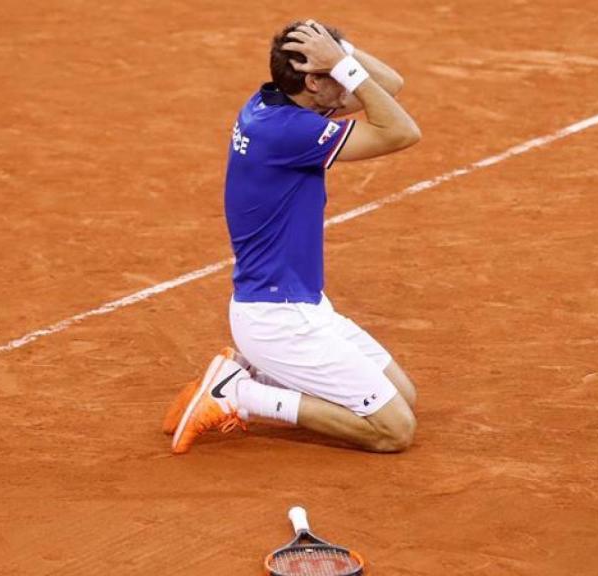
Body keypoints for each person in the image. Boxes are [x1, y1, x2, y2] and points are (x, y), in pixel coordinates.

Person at [162, 20, 421, 454]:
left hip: (302, 306)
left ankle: (253, 373)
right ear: (315, 83)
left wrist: (340, 52)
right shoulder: (289, 132)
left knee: (404, 398)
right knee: (395, 430)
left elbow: (389, 87)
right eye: (337, 73)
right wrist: (339, 62)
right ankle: (242, 396)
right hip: (279, 320)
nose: (349, 78)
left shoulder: (279, 106)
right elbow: (403, 132)